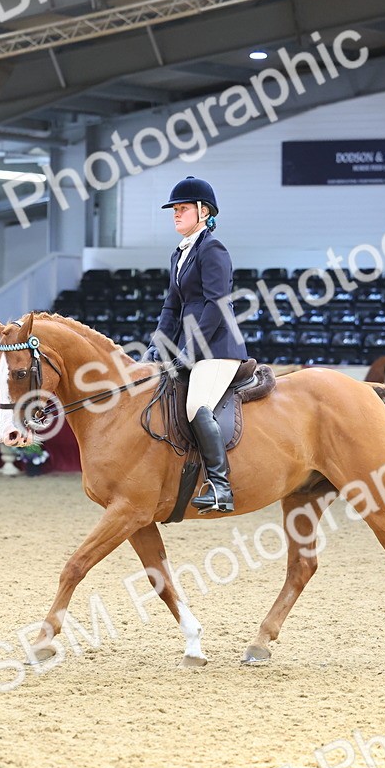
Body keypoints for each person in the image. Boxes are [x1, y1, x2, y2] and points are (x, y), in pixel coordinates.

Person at [142, 176, 247, 514]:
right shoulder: (179, 255)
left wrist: (191, 352)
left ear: (203, 212)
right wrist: (156, 347)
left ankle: (221, 486)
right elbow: (171, 308)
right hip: (191, 346)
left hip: (217, 347)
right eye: (174, 208)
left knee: (195, 405)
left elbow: (216, 304)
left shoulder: (212, 249)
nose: (176, 213)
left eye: (182, 208)